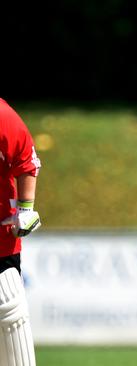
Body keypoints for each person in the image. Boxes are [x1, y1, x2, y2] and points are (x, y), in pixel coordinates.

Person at [0, 98, 42, 366]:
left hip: (1, 247)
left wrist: (26, 210)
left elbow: (26, 160)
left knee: (10, 312)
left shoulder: (2, 115)